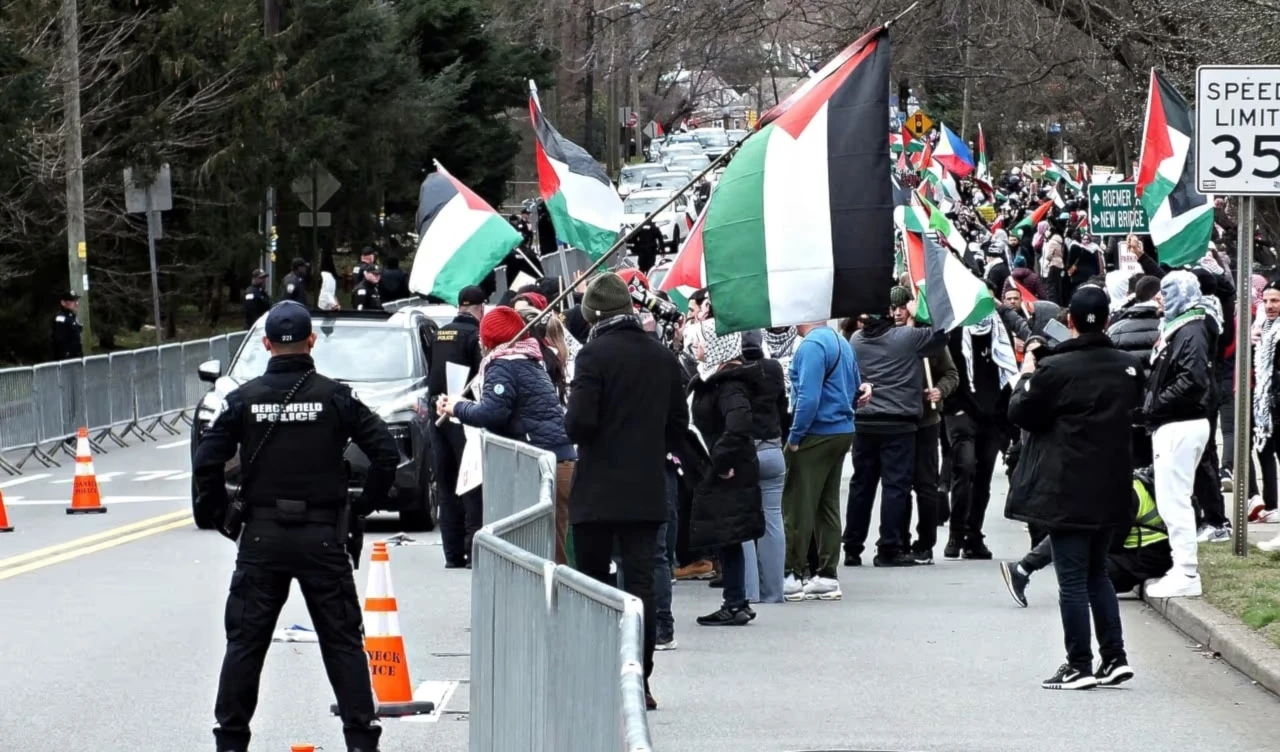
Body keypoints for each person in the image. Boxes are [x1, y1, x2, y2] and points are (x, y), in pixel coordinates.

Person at [192, 301, 398, 752]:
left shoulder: (243, 399)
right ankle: (362, 742)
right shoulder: (336, 397)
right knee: (342, 642)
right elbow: (385, 454)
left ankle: (230, 742)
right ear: (312, 341)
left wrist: (218, 515)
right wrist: (364, 508)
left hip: (261, 537)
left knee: (245, 644)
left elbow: (206, 461)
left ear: (266, 344)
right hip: (323, 534)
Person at [1005, 286, 1144, 690]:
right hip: (1112, 483)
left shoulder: (1055, 368)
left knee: (1072, 581)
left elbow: (1021, 413)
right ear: (1107, 319)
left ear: (1069, 322)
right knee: (1097, 573)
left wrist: (1027, 374)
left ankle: (1078, 663)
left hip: (1066, 485)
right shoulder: (1128, 366)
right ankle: (1114, 657)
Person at [564, 272, 687, 710]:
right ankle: (641, 680)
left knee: (595, 586)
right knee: (641, 589)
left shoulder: (593, 356)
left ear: (594, 316)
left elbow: (579, 423)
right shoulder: (661, 357)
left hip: (597, 489)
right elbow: (678, 425)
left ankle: (599, 675)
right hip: (646, 488)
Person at [438, 306, 576, 565]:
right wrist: (459, 406)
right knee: (547, 544)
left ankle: (550, 603)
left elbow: (492, 413)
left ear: (488, 340)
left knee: (546, 551)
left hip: (543, 462)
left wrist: (457, 406)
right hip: (555, 457)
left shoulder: (503, 364)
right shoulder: (527, 359)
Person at [843, 289, 946, 568]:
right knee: (895, 487)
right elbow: (942, 332)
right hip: (899, 424)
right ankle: (888, 547)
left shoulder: (856, 340)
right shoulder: (907, 338)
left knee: (861, 486)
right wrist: (919, 312)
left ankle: (852, 546)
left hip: (864, 421)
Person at [1000, 467, 1172, 606]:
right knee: (1075, 532)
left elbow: (1114, 542)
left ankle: (1023, 568)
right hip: (1141, 557)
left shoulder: (1130, 493)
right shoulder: (1140, 487)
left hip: (1142, 561)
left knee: (1078, 550)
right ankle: (1023, 568)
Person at [1141, 271, 1214, 598]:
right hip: (1177, 421)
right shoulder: (1182, 328)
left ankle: (1186, 571)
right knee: (1173, 499)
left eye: (1166, 293)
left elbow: (1192, 379)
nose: (1160, 298)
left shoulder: (1191, 330)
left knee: (1175, 501)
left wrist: (1154, 405)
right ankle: (1180, 566)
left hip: (1180, 422)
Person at [688, 323, 765, 626]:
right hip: (726, 467)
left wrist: (719, 461)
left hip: (730, 471)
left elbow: (739, 423)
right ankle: (736, 600)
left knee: (729, 534)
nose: (696, 348)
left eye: (701, 342)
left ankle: (735, 602)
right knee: (727, 536)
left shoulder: (730, 385)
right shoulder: (717, 380)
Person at [781, 320, 862, 602]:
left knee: (797, 503)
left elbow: (808, 396)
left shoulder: (812, 345)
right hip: (842, 428)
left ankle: (791, 574)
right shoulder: (841, 342)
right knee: (827, 504)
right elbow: (855, 388)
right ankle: (827, 575)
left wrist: (795, 435)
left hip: (816, 431)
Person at [943, 310, 1020, 560]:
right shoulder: (954, 332)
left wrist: (1004, 416)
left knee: (983, 477)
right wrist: (955, 404)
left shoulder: (999, 332)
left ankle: (973, 534)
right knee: (964, 469)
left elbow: (1007, 372)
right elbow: (947, 370)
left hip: (992, 414)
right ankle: (956, 532)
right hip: (962, 412)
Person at [426, 286, 486, 569]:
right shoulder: (475, 336)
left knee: (447, 484)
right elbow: (481, 378)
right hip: (464, 417)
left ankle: (452, 555)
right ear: (480, 308)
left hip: (437, 413)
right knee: (470, 484)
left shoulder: (441, 333)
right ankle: (473, 552)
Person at [740, 330, 788, 603]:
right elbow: (783, 408)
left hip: (745, 451)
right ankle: (774, 591)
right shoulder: (773, 370)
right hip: (772, 447)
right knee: (773, 518)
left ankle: (748, 591)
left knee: (744, 520)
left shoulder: (734, 374)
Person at [52, 291, 84, 360]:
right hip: (67, 360)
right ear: (63, 303)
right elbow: (59, 342)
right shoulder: (61, 319)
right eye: (72, 301)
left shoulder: (72, 317)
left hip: (77, 358)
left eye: (76, 300)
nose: (76, 303)